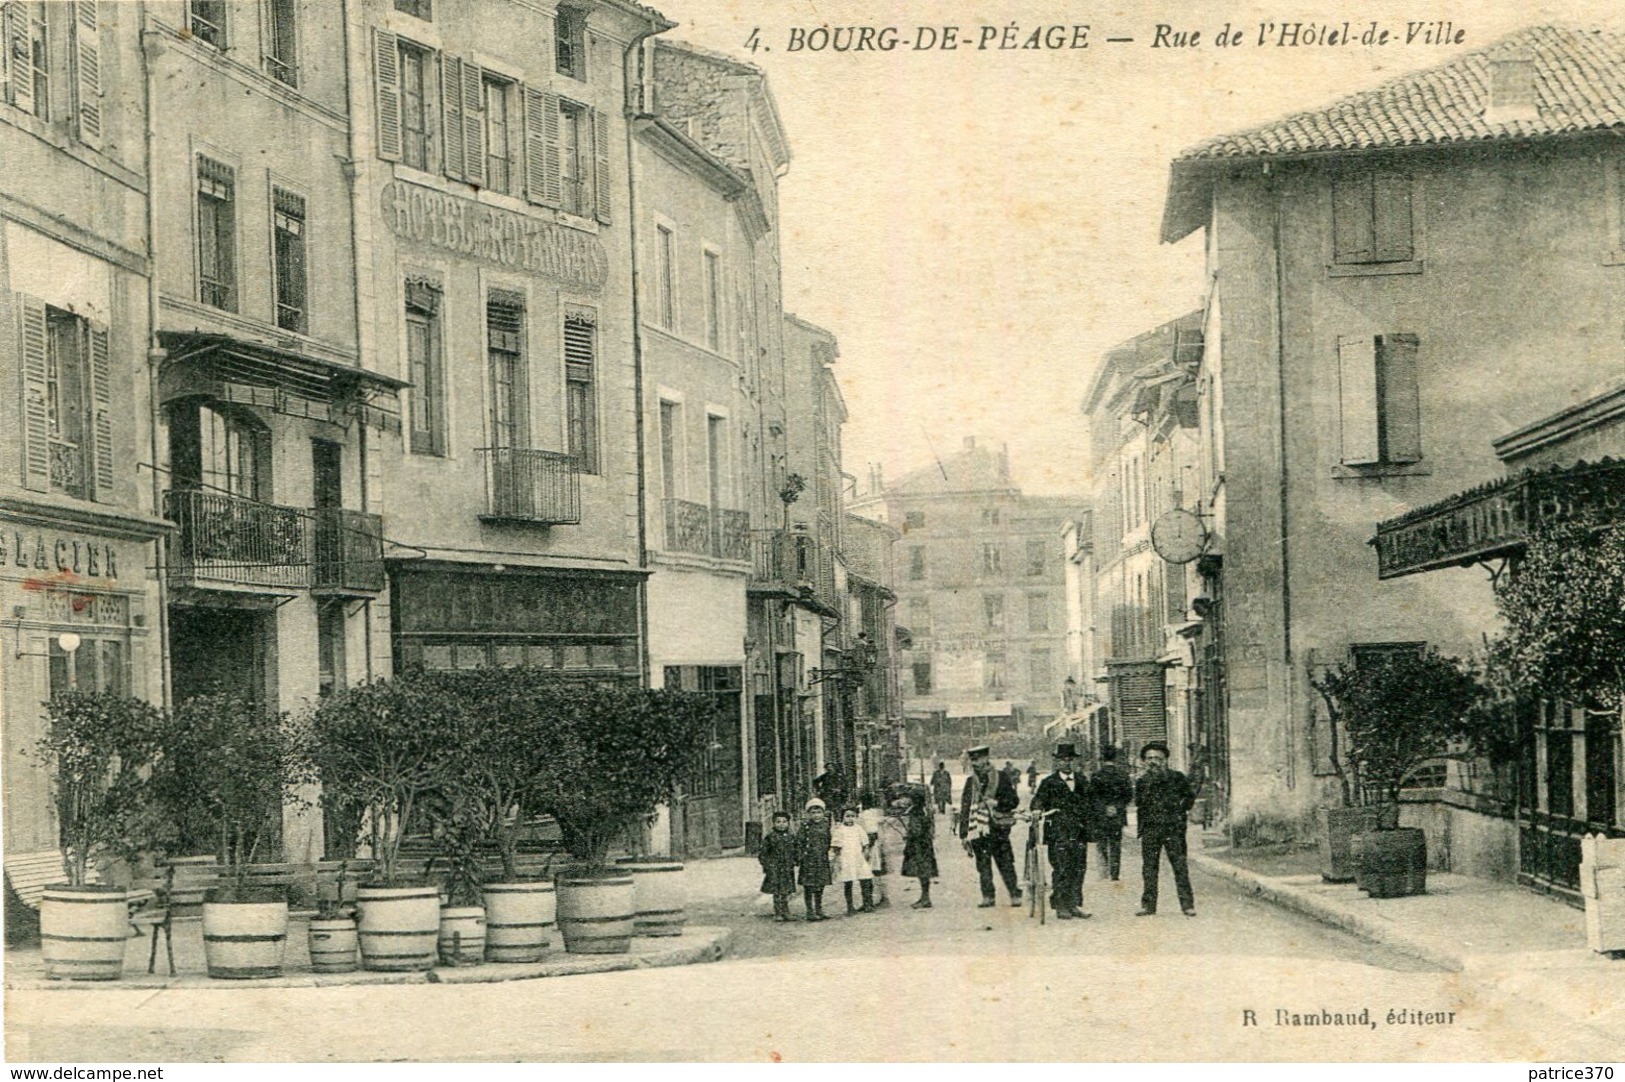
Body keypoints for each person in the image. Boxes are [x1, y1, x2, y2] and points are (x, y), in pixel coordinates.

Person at [1030, 742, 1094, 919]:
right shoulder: (1049, 782)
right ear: (1057, 762)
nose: (1067, 763)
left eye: (1070, 760)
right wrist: (1037, 809)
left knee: (1079, 868)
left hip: (1079, 831)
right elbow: (1038, 801)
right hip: (1058, 831)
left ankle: (1073, 904)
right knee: (1062, 868)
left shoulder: (1082, 780)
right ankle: (1060, 905)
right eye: (1063, 760)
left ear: (1074, 762)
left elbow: (1091, 801)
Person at [1134, 741, 1197, 917]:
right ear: (1144, 761)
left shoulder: (1177, 778)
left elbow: (1189, 797)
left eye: (1157, 758)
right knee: (1149, 868)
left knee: (1180, 866)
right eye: (1149, 758)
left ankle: (1187, 905)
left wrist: (1179, 812)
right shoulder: (1142, 782)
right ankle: (1148, 906)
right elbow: (1140, 804)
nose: (1153, 762)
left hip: (1173, 830)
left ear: (1165, 760)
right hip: (1151, 830)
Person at [958, 745, 1023, 907]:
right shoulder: (970, 782)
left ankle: (1015, 893)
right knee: (983, 865)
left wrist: (998, 803)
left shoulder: (1001, 777)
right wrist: (964, 834)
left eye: (978, 759)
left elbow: (1014, 801)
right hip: (978, 830)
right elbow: (965, 808)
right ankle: (988, 896)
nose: (975, 763)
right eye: (973, 760)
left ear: (986, 758)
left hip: (998, 828)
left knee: (1006, 863)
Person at [1092, 745, 1133, 882]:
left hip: (1100, 815)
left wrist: (1104, 808)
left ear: (1102, 759)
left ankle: (1104, 870)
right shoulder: (1123, 775)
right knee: (1116, 843)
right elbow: (1128, 795)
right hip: (1118, 815)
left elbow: (1092, 797)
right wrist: (1116, 806)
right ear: (1115, 758)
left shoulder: (1096, 775)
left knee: (1102, 843)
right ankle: (1115, 873)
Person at [831, 806, 876, 914]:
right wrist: (838, 859)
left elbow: (865, 843)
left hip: (858, 857)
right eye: (847, 816)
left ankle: (867, 904)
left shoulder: (858, 828)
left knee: (866, 878)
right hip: (846, 858)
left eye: (852, 816)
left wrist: (866, 852)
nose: (850, 819)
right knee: (848, 882)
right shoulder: (840, 830)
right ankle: (850, 907)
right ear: (842, 817)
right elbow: (836, 847)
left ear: (856, 817)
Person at [901, 786, 939, 909]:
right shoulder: (924, 810)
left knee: (922, 871)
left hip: (918, 845)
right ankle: (925, 897)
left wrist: (909, 835)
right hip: (925, 844)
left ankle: (925, 898)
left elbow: (916, 830)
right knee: (924, 871)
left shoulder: (916, 812)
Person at [797, 798, 834, 921]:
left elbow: (829, 840)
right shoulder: (805, 826)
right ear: (808, 814)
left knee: (820, 885)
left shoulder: (826, 825)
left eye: (819, 812)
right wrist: (800, 856)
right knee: (809, 886)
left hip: (822, 859)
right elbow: (799, 842)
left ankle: (819, 909)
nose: (816, 815)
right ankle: (809, 911)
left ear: (823, 813)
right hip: (808, 860)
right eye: (813, 813)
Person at [759, 811, 799, 922]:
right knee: (776, 891)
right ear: (773, 823)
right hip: (774, 868)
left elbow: (796, 850)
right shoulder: (770, 837)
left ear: (788, 823)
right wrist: (767, 865)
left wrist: (796, 860)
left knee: (785, 891)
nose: (781, 824)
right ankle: (777, 912)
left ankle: (786, 911)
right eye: (778, 822)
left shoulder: (791, 836)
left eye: (784, 822)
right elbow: (763, 853)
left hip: (787, 868)